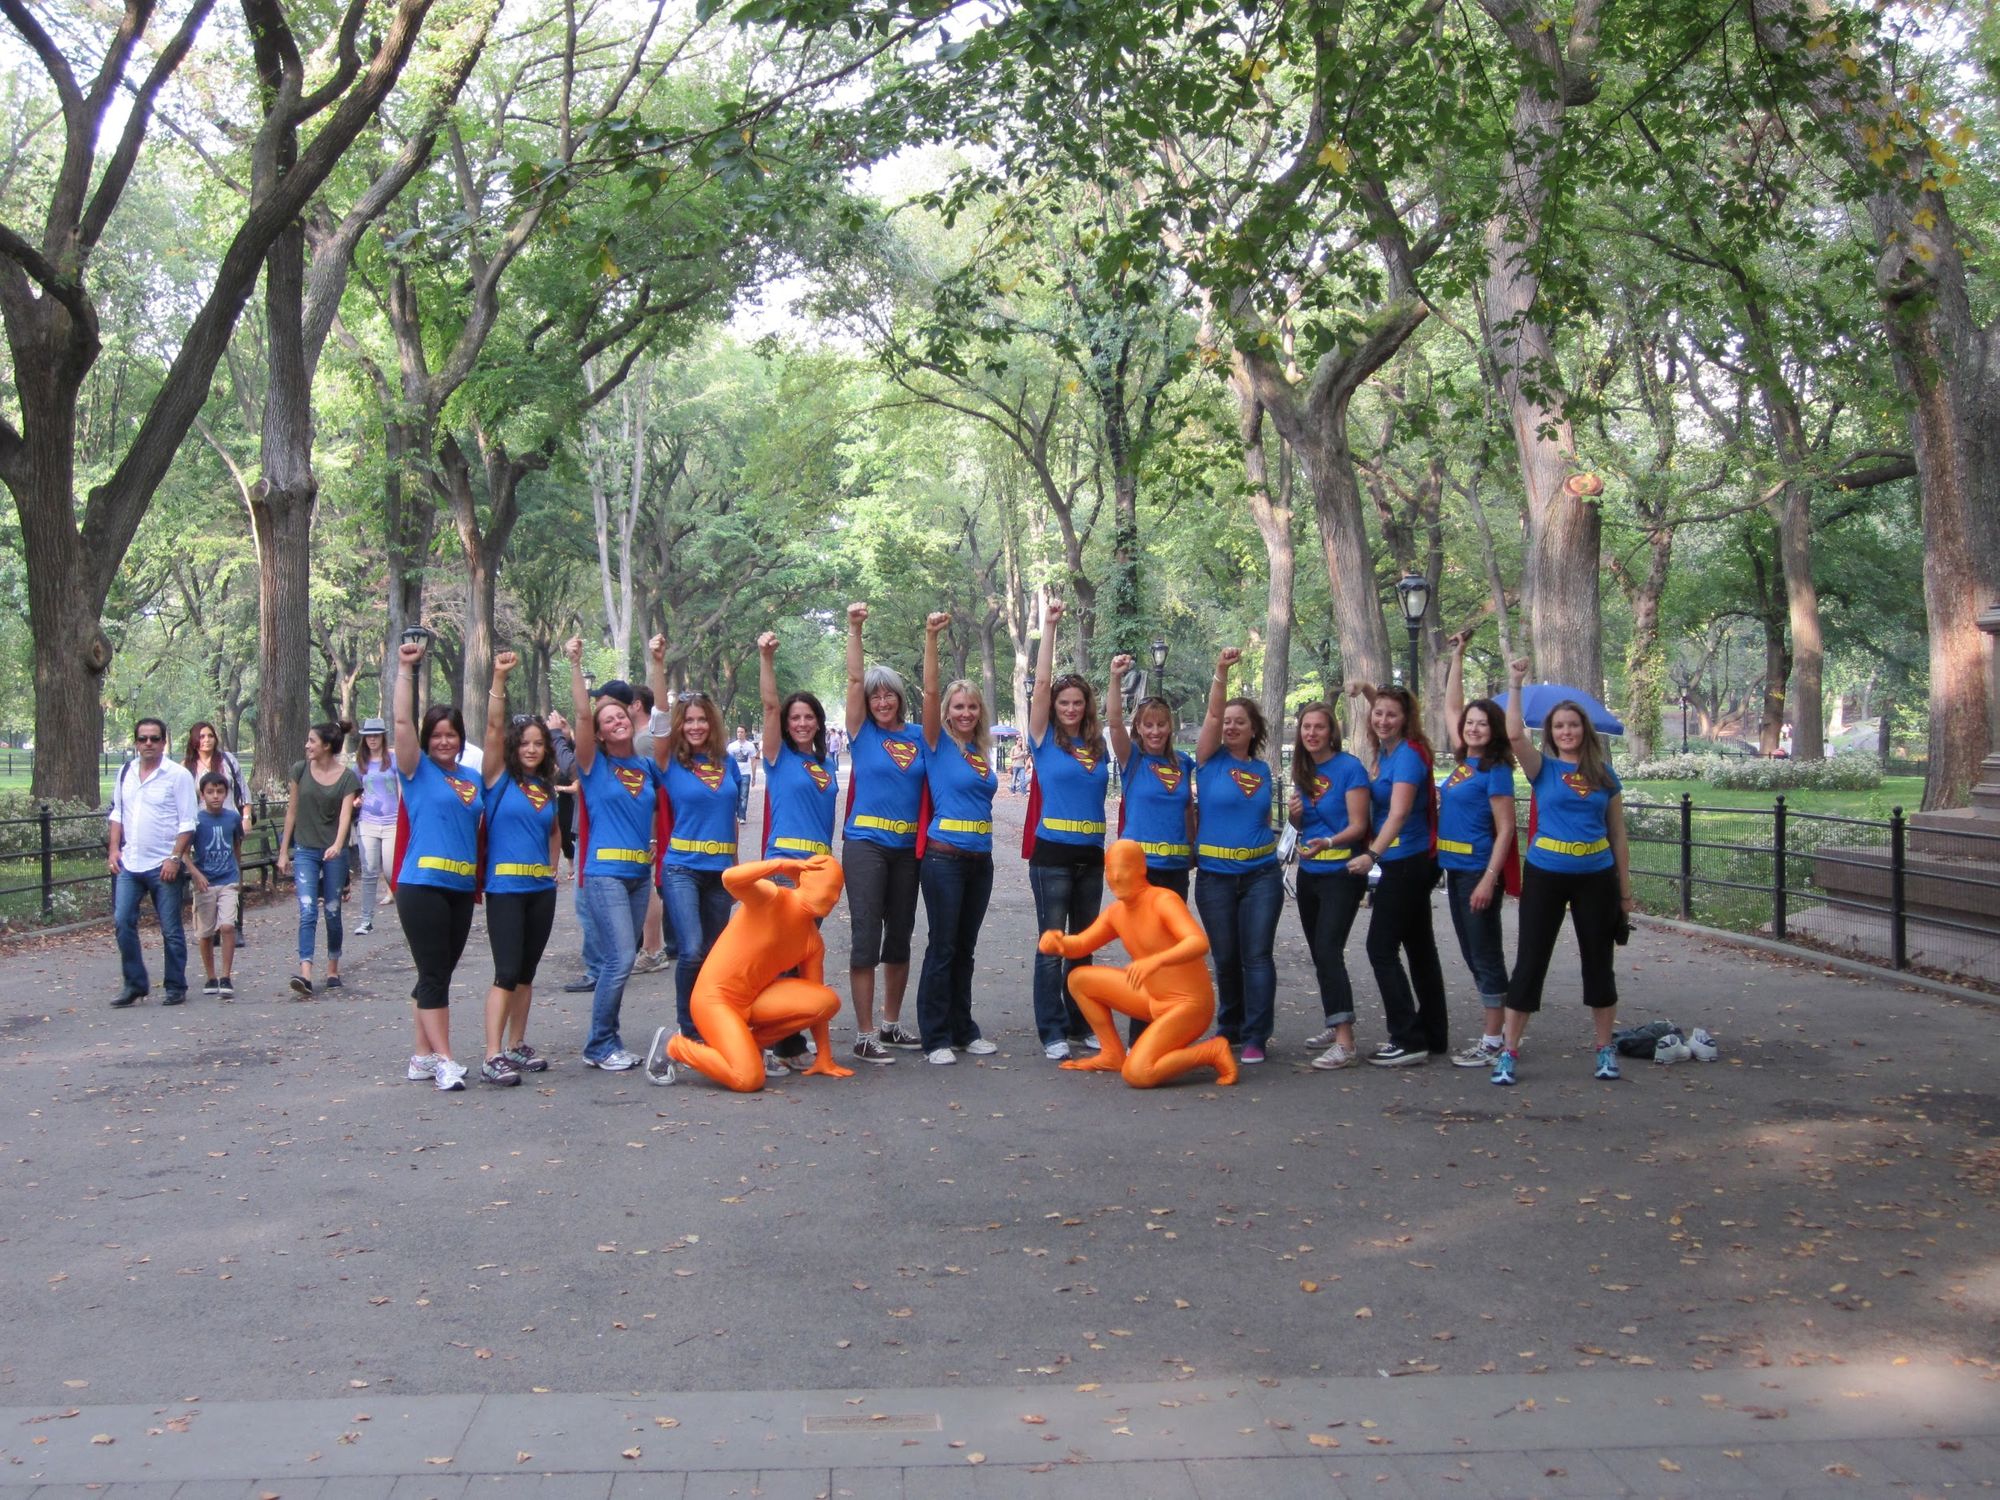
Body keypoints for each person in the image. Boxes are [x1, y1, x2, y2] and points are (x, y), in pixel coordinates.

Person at [1492, 658, 1635, 1086]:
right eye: (1559, 727)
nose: (1567, 731)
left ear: (1584, 730)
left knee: (1599, 962)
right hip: (1546, 874)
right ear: (1551, 734)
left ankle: (1604, 1048)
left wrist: (1625, 894)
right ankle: (1509, 1050)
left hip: (1596, 876)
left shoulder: (1605, 776)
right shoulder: (1543, 770)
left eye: (1573, 725)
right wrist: (1515, 684)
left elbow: (1618, 836)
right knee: (1530, 961)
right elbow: (1515, 734)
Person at [649, 855, 858, 1092]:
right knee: (748, 1079)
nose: (833, 899)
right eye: (829, 888)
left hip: (753, 1001)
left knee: (826, 1001)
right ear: (806, 881)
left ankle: (749, 1047)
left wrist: (825, 1056)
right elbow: (730, 878)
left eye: (838, 892)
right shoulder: (772, 898)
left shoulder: (812, 941)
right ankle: (673, 1046)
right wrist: (779, 865)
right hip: (715, 1001)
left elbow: (816, 999)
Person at [1041, 840, 1238, 1089]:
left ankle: (1211, 1051)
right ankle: (1112, 1053)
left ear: (1141, 869)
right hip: (1151, 997)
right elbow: (1080, 945)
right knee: (1079, 979)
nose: (1115, 877)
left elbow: (1198, 942)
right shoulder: (1117, 912)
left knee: (1138, 1073)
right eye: (1109, 869)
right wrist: (1058, 943)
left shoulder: (1163, 900)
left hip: (1188, 1006)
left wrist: (1156, 961)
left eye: (1122, 868)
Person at [1024, 597, 1113, 1061]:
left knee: (1084, 945)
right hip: (1053, 856)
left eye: (1078, 702)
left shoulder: (1097, 745)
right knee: (1053, 944)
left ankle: (1083, 1021)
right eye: (1064, 702)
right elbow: (1040, 684)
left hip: (1091, 858)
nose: (1071, 708)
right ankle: (1052, 1028)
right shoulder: (1042, 739)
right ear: (1054, 706)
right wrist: (1050, 628)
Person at [392, 637, 483, 1091]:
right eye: (437, 735)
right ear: (427, 741)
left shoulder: (471, 777)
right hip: (422, 885)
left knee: (439, 972)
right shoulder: (416, 770)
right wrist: (407, 669)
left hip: (460, 888)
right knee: (432, 974)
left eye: (452, 734)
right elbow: (402, 720)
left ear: (461, 739)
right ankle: (446, 1060)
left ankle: (421, 1056)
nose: (445, 741)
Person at [566, 635, 658, 1072]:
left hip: (640, 874)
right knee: (619, 958)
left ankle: (609, 1039)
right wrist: (576, 663)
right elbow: (582, 713)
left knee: (624, 954)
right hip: (604, 874)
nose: (615, 722)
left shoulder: (644, 765)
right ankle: (599, 1043)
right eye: (607, 719)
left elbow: (657, 724)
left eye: (620, 714)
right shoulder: (592, 765)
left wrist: (655, 661)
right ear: (598, 732)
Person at [841, 601, 928, 1062]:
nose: (880, 701)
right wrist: (855, 629)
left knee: (900, 936)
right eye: (874, 696)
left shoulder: (917, 736)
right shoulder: (861, 734)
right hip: (866, 847)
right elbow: (855, 680)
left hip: (907, 850)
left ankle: (891, 1024)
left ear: (898, 697)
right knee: (865, 936)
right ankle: (864, 1033)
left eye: (888, 694)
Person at [915, 609, 1003, 1065]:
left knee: (965, 949)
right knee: (944, 946)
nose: (965, 713)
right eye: (958, 707)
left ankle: (963, 1028)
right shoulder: (936, 742)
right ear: (947, 713)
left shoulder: (981, 752)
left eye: (971, 707)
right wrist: (932, 637)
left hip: (979, 861)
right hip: (944, 859)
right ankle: (935, 1036)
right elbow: (930, 691)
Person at [1347, 681, 1449, 1067]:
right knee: (1420, 948)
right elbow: (1384, 710)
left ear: (1407, 719)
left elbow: (1400, 812)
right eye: (1378, 713)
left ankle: (1406, 1036)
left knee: (1380, 947)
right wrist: (1369, 690)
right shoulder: (1388, 750)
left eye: (1392, 714)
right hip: (1405, 859)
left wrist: (1373, 854)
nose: (1383, 720)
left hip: (1409, 860)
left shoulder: (1407, 755)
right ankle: (1434, 1034)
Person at [1191, 649, 1283, 1063]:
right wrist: (1221, 673)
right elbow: (1211, 718)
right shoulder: (1209, 762)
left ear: (1252, 729)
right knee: (1226, 957)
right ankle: (1229, 1026)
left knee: (1257, 956)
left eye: (1238, 722)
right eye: (1226, 721)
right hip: (1215, 878)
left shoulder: (1263, 771)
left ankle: (1256, 1035)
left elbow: (1261, 816)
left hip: (1262, 875)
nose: (1230, 726)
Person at [646, 636, 739, 1041]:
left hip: (721, 871)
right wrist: (658, 663)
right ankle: (690, 1028)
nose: (696, 726)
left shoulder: (729, 763)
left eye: (702, 720)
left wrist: (735, 866)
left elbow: (731, 818)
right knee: (692, 949)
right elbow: (660, 721)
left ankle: (714, 1018)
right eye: (690, 720)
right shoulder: (668, 761)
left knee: (717, 955)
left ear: (712, 724)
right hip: (682, 868)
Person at [755, 629, 839, 1074]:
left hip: (817, 872)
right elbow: (770, 704)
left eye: (809, 717)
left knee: (796, 954)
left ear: (819, 723)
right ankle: (764, 1041)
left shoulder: (825, 763)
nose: (802, 723)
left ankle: (784, 1037)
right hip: (785, 869)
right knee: (775, 957)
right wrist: (766, 658)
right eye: (795, 718)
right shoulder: (777, 757)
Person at [477, 653, 562, 1086]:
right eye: (525, 742)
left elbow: (552, 832)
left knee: (527, 971)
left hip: (539, 891)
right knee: (506, 971)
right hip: (505, 889)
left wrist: (552, 868)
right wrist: (499, 679)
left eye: (538, 743)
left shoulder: (544, 787)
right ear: (514, 746)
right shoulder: (496, 779)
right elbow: (492, 729)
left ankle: (517, 1044)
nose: (532, 749)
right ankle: (492, 1055)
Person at [1439, 632, 1518, 1069]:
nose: (1472, 727)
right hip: (1454, 871)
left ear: (1495, 730)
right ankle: (1502, 1029)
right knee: (1472, 953)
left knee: (1485, 954)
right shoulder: (1462, 764)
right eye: (1470, 723)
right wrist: (1458, 654)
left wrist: (1489, 879)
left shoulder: (1496, 770)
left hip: (1477, 874)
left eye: (1482, 724)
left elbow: (1506, 830)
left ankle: (1494, 1040)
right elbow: (1452, 707)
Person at [1287, 701, 1373, 1070]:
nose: (1311, 733)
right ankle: (1333, 1018)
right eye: (1306, 727)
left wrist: (1331, 843)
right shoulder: (1303, 769)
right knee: (1319, 951)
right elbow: (1308, 827)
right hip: (1310, 873)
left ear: (1331, 731)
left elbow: (1358, 825)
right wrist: (1296, 819)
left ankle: (1345, 1042)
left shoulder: (1349, 768)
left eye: (1319, 727)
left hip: (1342, 873)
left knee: (1328, 948)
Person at [107, 718, 197, 1007]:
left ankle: (175, 985)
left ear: (163, 742)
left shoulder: (177, 775)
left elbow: (188, 822)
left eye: (154, 739)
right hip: (130, 864)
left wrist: (174, 857)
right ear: (135, 742)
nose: (148, 743)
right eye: (143, 738)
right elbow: (117, 814)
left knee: (170, 928)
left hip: (163, 865)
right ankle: (134, 984)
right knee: (122, 922)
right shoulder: (125, 773)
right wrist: (113, 850)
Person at [276, 721, 361, 998]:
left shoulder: (347, 778)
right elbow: (291, 812)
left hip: (333, 851)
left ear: (326, 746)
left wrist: (338, 845)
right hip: (305, 850)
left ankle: (333, 968)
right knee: (308, 909)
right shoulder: (300, 771)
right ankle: (305, 973)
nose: (307, 745)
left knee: (332, 911)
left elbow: (346, 816)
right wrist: (283, 852)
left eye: (312, 741)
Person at [183, 719, 250, 948]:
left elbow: (243, 790)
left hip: (228, 820)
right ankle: (207, 926)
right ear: (193, 740)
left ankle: (234, 926)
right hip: (201, 825)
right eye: (201, 736)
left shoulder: (227, 761)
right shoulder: (187, 767)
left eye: (210, 735)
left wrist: (246, 816)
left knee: (231, 870)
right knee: (206, 868)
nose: (206, 740)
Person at [189, 772, 243, 998]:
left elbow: (237, 845)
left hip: (228, 880)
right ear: (202, 794)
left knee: (228, 925)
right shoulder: (197, 820)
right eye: (210, 792)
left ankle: (226, 976)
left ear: (226, 793)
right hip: (205, 884)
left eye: (220, 791)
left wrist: (238, 873)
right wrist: (196, 874)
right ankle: (210, 976)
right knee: (206, 932)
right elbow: (182, 853)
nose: (215, 796)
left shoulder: (232, 818)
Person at [353, 717, 398, 932]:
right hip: (368, 822)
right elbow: (354, 793)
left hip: (392, 823)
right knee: (369, 870)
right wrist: (356, 801)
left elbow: (402, 788)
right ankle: (366, 920)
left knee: (391, 870)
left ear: (382, 737)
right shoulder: (360, 764)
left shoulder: (393, 759)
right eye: (368, 736)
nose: (372, 739)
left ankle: (408, 912)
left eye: (376, 735)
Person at [727, 723, 759, 823]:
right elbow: (727, 762)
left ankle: (742, 816)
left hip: (746, 773)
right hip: (734, 774)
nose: (739, 734)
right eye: (738, 732)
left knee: (744, 795)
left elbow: (753, 761)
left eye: (741, 732)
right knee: (735, 794)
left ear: (745, 733)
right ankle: (736, 813)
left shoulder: (750, 746)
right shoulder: (731, 746)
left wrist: (754, 776)